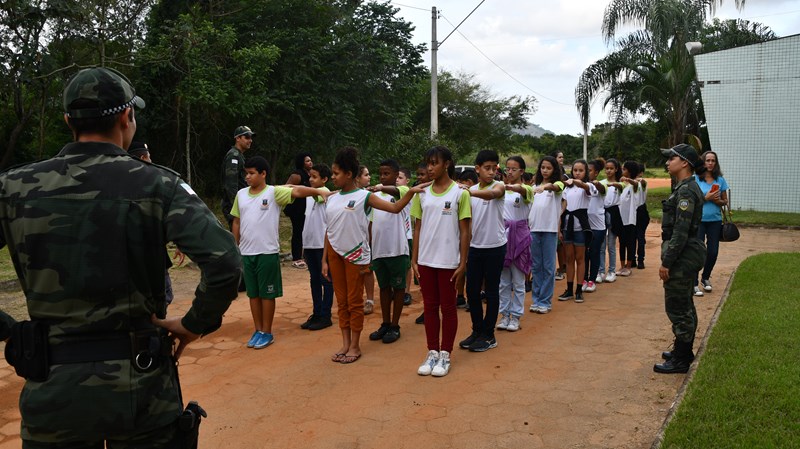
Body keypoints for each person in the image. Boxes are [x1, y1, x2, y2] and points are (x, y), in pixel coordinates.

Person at [0, 67, 241, 447]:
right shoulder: (158, 183)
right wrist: (195, 323)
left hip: (53, 390)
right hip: (141, 388)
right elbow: (225, 261)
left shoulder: (13, 187)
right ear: (127, 117)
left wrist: (12, 332)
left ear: (68, 121)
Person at [322, 147, 424, 364]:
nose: (332, 177)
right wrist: (324, 259)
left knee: (354, 301)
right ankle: (345, 343)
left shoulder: (365, 196)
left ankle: (355, 346)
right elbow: (329, 230)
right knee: (341, 302)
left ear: (348, 174)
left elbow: (395, 208)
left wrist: (412, 192)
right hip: (334, 255)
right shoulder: (331, 198)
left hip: (355, 255)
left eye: (336, 173)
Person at [232, 156, 327, 349]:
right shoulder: (241, 194)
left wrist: (318, 191)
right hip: (247, 253)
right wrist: (236, 246)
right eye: (246, 173)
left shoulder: (274, 192)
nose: (248, 177)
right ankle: (257, 330)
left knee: (267, 294)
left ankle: (267, 332)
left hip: (267, 252)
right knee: (253, 294)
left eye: (251, 173)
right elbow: (236, 221)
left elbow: (298, 190)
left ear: (263, 174)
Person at [412, 146, 471, 377]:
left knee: (448, 308)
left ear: (446, 164)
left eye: (434, 163)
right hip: (426, 260)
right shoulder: (421, 193)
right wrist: (414, 259)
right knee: (429, 307)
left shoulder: (460, 193)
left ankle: (445, 354)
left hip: (448, 261)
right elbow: (417, 228)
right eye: (428, 163)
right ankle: (432, 352)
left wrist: (463, 262)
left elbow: (465, 231)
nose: (430, 167)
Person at [655, 144, 706, 374]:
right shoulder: (685, 187)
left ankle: (681, 360)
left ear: (684, 162)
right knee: (684, 304)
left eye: (672, 158)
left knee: (677, 306)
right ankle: (682, 350)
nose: (667, 162)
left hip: (682, 255)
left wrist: (667, 262)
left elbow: (680, 232)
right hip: (686, 253)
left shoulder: (686, 191)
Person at [458, 150, 506, 352]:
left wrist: (469, 191)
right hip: (475, 247)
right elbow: (466, 223)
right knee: (472, 291)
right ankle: (477, 330)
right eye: (486, 168)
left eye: (494, 168)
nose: (491, 172)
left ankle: (489, 334)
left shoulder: (499, 186)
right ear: (477, 169)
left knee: (492, 291)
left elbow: (494, 194)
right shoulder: (471, 191)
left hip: (495, 247)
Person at [366, 159, 412, 344]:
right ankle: (385, 323)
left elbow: (397, 191)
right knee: (384, 288)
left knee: (398, 288)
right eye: (381, 174)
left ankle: (395, 325)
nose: (383, 177)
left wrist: (378, 187)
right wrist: (369, 249)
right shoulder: (376, 198)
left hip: (397, 250)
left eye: (387, 174)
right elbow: (370, 223)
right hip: (379, 250)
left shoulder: (403, 193)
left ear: (396, 175)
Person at [129, 141, 178, 305]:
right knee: (164, 296)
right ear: (143, 157)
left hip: (128, 259)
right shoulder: (157, 183)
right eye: (149, 157)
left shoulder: (118, 183)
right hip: (153, 256)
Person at [498, 156, 533, 327]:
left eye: (514, 169)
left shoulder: (526, 189)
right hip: (503, 237)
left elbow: (524, 191)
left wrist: (513, 187)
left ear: (521, 172)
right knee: (504, 281)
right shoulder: (500, 190)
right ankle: (504, 314)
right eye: (507, 168)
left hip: (520, 238)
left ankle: (516, 316)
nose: (510, 172)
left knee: (518, 281)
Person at [528, 156, 565, 314]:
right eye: (542, 167)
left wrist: (545, 187)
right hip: (534, 230)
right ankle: (536, 299)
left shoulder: (558, 185)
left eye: (548, 168)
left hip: (549, 231)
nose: (545, 170)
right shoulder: (534, 187)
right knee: (536, 267)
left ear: (554, 170)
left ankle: (545, 301)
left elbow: (555, 187)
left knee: (549, 267)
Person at [300, 163, 334, 330]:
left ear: (325, 179)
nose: (310, 179)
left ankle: (326, 315)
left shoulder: (325, 193)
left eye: (314, 177)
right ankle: (317, 313)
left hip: (322, 245)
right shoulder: (309, 196)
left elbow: (317, 196)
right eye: (310, 176)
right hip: (310, 244)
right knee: (314, 280)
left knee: (325, 279)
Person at [558, 160, 597, 303]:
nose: (577, 173)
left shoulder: (588, 186)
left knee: (580, 259)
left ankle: (579, 289)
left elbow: (585, 186)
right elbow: (563, 208)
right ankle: (569, 289)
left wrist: (574, 181)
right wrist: (559, 229)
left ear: (586, 172)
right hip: (568, 226)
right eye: (575, 170)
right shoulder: (567, 189)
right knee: (569, 258)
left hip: (580, 227)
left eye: (581, 170)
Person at [693, 150, 729, 297]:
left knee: (713, 252)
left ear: (716, 163)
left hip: (715, 221)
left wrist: (717, 200)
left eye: (713, 161)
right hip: (699, 221)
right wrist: (706, 198)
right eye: (707, 160)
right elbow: (693, 200)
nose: (710, 163)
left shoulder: (720, 180)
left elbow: (725, 201)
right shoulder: (696, 179)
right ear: (703, 162)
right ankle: (694, 283)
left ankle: (705, 277)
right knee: (697, 252)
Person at [284, 152, 314, 269]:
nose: (310, 162)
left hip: (307, 207)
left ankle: (304, 255)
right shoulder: (297, 175)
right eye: (307, 161)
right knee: (298, 231)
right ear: (301, 162)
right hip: (296, 208)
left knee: (305, 231)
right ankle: (297, 257)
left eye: (311, 160)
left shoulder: (311, 174)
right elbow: (286, 188)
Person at [222, 125, 254, 229]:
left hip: (240, 202)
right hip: (235, 205)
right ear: (237, 138)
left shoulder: (239, 155)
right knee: (238, 238)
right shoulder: (233, 156)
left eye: (251, 137)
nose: (250, 140)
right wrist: (238, 206)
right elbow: (231, 185)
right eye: (247, 137)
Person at [583, 159, 607, 294]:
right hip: (584, 225)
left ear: (596, 173)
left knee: (594, 252)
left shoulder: (601, 185)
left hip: (598, 226)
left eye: (590, 170)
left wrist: (596, 184)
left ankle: (592, 279)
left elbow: (602, 189)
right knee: (584, 254)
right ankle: (584, 279)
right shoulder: (582, 185)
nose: (587, 173)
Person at [599, 159, 624, 283]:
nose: (608, 170)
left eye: (611, 168)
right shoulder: (601, 183)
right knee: (601, 245)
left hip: (614, 214)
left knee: (611, 244)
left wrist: (614, 184)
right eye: (606, 168)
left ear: (616, 169)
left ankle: (612, 271)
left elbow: (621, 186)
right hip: (602, 213)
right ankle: (601, 271)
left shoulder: (620, 183)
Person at [413, 162, 431, 325]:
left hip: (437, 245)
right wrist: (415, 255)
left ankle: (431, 309)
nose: (419, 177)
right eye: (417, 174)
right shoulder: (419, 194)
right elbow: (417, 226)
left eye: (422, 175)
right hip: (424, 245)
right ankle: (428, 309)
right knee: (424, 283)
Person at [357, 165, 376, 315]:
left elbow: (370, 221)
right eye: (366, 175)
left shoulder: (367, 195)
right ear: (356, 177)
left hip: (364, 239)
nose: (369, 177)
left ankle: (369, 300)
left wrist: (370, 240)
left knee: (367, 271)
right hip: (350, 241)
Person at [617, 161, 642, 277]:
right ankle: (622, 266)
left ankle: (629, 266)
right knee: (622, 242)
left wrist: (628, 180)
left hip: (630, 219)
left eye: (624, 169)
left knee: (630, 242)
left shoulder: (634, 185)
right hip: (621, 218)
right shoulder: (621, 184)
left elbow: (636, 184)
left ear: (630, 171)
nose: (622, 171)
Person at [397, 167, 415, 306]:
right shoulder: (390, 193)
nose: (397, 180)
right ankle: (397, 290)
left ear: (407, 180)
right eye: (396, 177)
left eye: (400, 177)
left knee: (407, 266)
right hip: (395, 236)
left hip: (407, 235)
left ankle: (407, 292)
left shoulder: (406, 191)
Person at [633, 163, 650, 269]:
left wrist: (640, 179)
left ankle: (640, 260)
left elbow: (643, 182)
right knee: (632, 237)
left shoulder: (641, 182)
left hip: (641, 210)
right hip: (632, 210)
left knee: (640, 236)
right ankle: (633, 259)